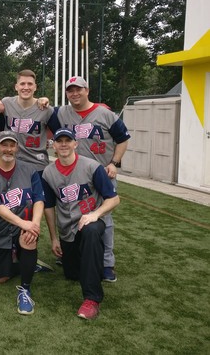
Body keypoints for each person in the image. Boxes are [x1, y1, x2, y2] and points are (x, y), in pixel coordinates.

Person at [48, 76, 130, 282]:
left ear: (87, 90)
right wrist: (42, 101)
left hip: (100, 172)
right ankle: (72, 252)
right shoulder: (62, 113)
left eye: (79, 89)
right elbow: (44, 113)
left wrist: (114, 162)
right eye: (70, 90)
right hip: (73, 173)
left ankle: (107, 262)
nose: (74, 93)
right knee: (70, 212)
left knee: (103, 220)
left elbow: (123, 139)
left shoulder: (104, 113)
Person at [42, 128, 120, 320]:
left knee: (91, 231)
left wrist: (95, 214)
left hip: (90, 223)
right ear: (54, 145)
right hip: (68, 230)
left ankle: (92, 299)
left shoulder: (92, 167)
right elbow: (49, 207)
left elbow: (114, 199)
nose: (63, 144)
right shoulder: (48, 173)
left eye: (67, 140)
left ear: (75, 143)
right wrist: (53, 239)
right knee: (72, 274)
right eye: (59, 141)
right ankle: (93, 265)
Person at [0, 131, 45, 315]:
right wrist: (25, 223)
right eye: (4, 145)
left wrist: (34, 224)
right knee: (1, 278)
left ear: (17, 148)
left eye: (12, 145)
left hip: (23, 229)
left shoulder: (29, 170)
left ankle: (25, 289)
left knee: (28, 239)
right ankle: (27, 262)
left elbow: (39, 199)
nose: (8, 149)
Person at [1, 69, 53, 172]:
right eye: (22, 84)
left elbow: (60, 131)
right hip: (11, 164)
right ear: (16, 87)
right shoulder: (6, 103)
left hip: (37, 165)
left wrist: (50, 143)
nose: (26, 87)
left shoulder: (46, 109)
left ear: (35, 87)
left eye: (30, 84)